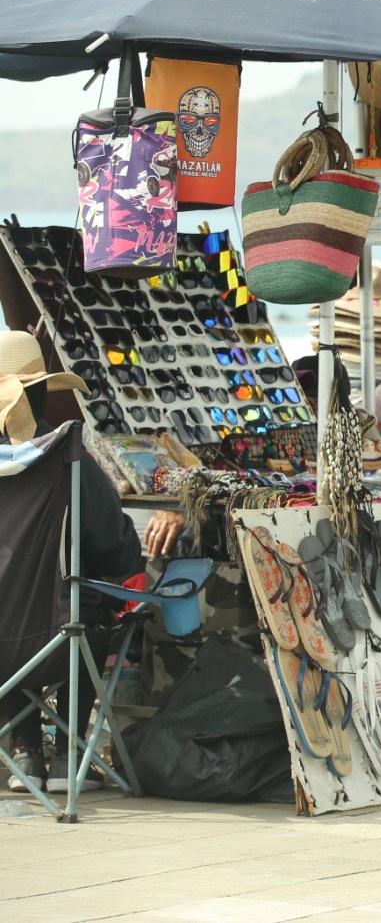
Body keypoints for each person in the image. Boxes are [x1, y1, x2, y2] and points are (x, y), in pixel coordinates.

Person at [0, 331, 184, 793]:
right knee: (81, 606)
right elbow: (118, 549)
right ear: (43, 394)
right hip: (55, 641)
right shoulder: (69, 460)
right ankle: (66, 752)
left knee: (22, 601)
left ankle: (24, 749)